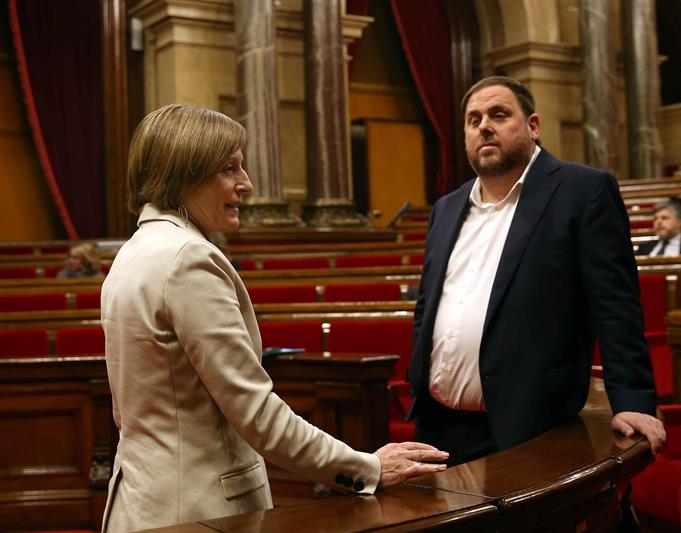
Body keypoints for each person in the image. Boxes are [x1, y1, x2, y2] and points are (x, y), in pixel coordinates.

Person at [100, 104, 447, 531]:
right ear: (184, 173)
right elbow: (257, 414)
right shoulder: (187, 259)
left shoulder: (132, 252)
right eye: (230, 168)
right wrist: (366, 468)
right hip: (199, 510)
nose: (246, 184)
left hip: (142, 503)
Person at [407, 76, 665, 469]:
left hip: (529, 426)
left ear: (532, 126)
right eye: (473, 119)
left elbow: (615, 305)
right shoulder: (446, 207)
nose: (484, 126)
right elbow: (429, 305)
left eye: (499, 114)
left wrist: (633, 401)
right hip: (438, 427)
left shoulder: (582, 191)